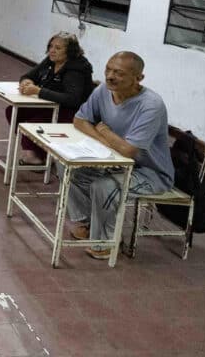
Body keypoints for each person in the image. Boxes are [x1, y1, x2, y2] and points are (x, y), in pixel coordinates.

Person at [68, 51, 174, 259]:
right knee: (72, 170)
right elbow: (79, 120)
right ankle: (88, 224)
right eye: (108, 69)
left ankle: (106, 241)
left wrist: (105, 131)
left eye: (119, 73)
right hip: (116, 160)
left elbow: (129, 151)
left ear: (138, 78)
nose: (110, 76)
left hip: (149, 172)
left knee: (104, 187)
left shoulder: (150, 105)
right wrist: (102, 138)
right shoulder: (103, 91)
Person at [9, 32, 94, 165]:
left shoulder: (75, 70)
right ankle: (37, 150)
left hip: (71, 112)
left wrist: (39, 91)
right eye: (51, 46)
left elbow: (72, 99)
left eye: (58, 48)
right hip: (50, 104)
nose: (52, 51)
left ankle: (37, 155)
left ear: (70, 51)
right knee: (13, 111)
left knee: (31, 125)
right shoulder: (51, 60)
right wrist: (26, 81)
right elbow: (29, 75)